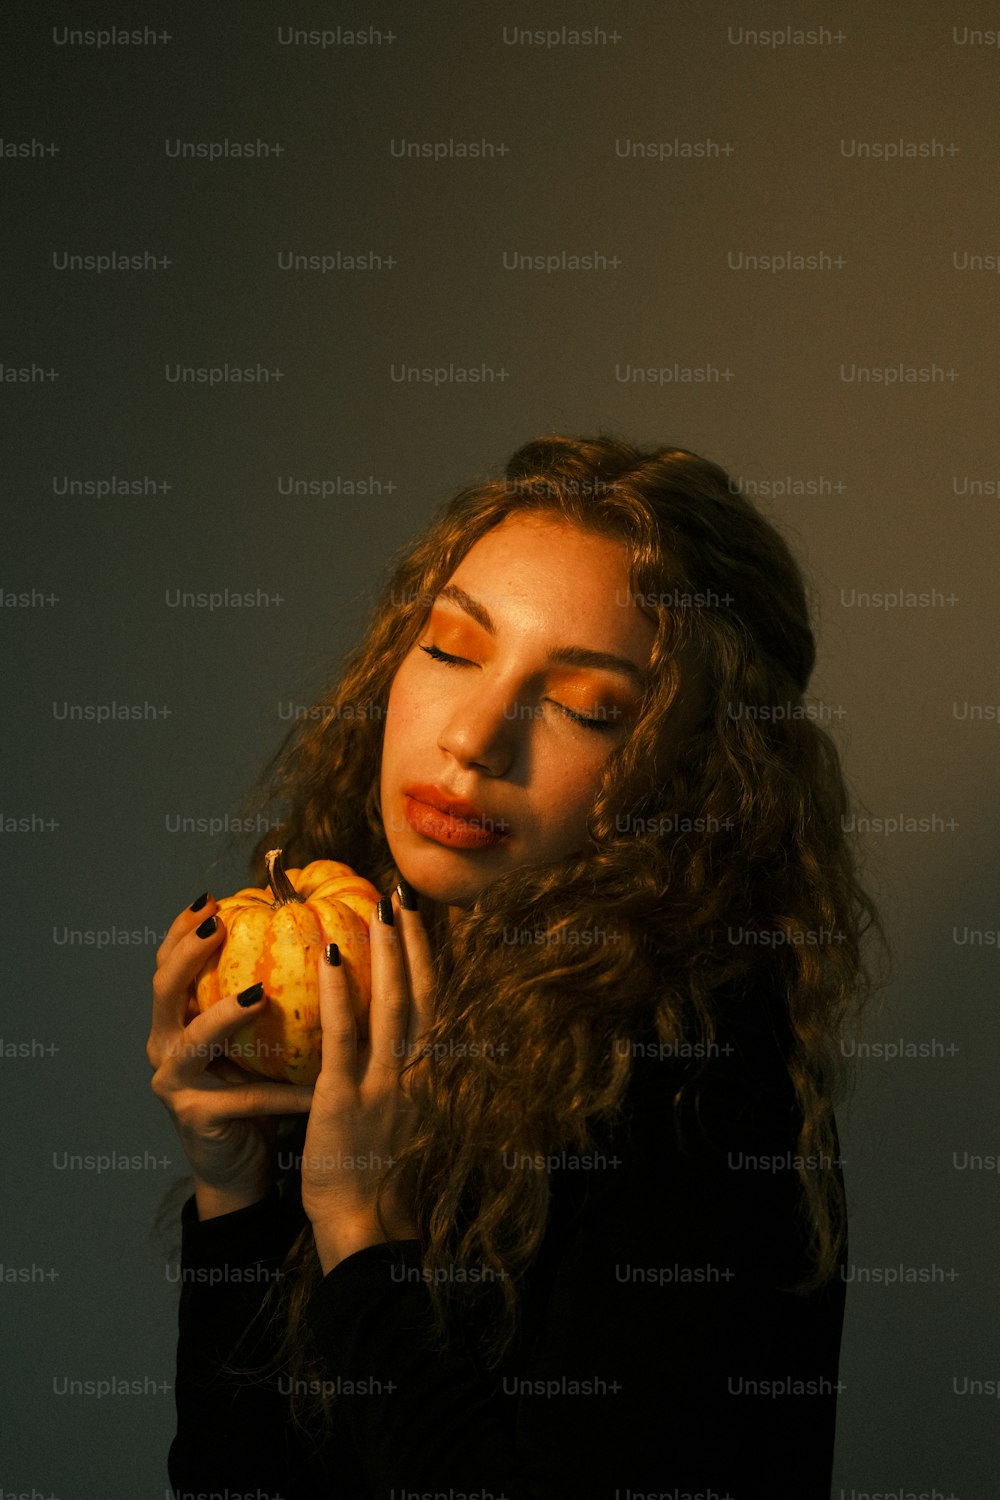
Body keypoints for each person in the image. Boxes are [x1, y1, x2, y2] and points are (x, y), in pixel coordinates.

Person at [148, 432, 881, 1499]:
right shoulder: (389, 983)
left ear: (692, 775)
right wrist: (240, 1193)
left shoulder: (701, 1078)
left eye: (589, 708)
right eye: (450, 646)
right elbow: (231, 1482)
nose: (477, 738)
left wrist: (361, 1230)